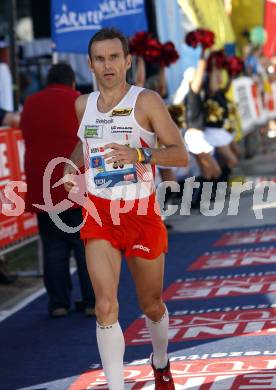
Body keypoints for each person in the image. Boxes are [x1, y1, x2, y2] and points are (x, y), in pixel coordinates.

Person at [63, 28, 188, 389]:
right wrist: (73, 168)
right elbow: (83, 144)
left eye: (114, 58)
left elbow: (179, 155)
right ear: (90, 64)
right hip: (99, 214)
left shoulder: (145, 101)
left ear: (128, 61)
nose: (107, 66)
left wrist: (138, 154)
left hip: (141, 213)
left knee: (151, 304)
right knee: (105, 305)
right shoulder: (82, 105)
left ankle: (161, 361)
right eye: (100, 59)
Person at [20, 63, 95, 318]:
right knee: (85, 246)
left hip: (42, 186)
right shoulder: (80, 102)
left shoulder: (30, 103)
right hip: (74, 185)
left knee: (53, 247)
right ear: (72, 82)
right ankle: (92, 301)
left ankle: (58, 304)